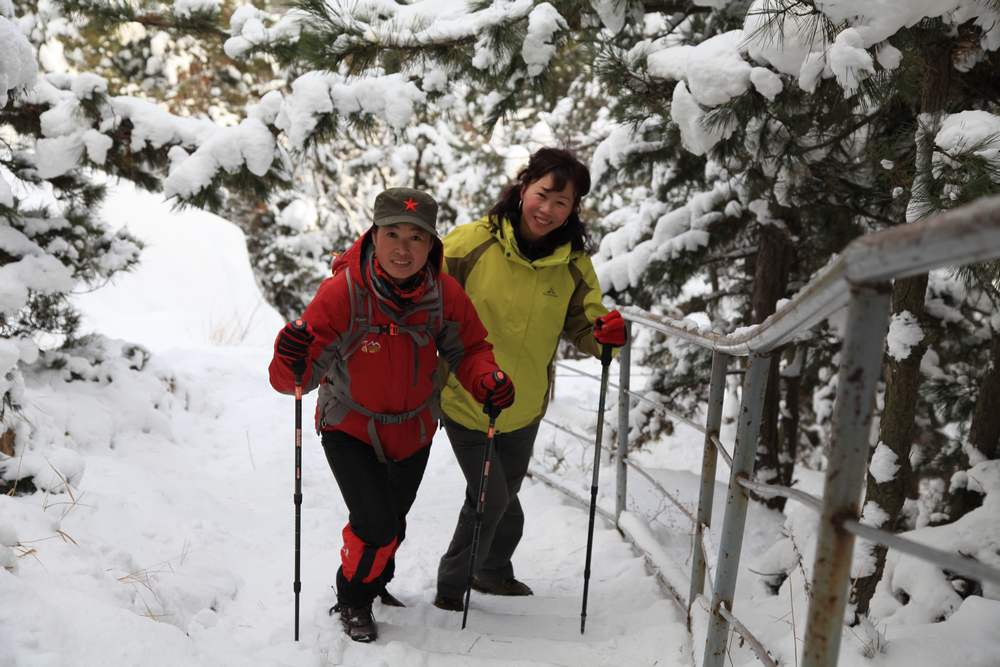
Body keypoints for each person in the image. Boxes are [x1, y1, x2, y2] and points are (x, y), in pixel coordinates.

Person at [268, 187, 515, 643]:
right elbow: (294, 382)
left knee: (392, 524)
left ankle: (375, 579)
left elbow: (472, 349)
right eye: (393, 234)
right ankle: (353, 598)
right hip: (349, 426)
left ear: (431, 245)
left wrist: (488, 381)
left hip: (413, 429)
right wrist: (291, 357)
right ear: (374, 235)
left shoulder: (444, 294)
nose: (403, 248)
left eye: (416, 238)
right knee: (375, 522)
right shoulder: (343, 291)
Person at [433, 148, 628, 611]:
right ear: (523, 189)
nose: (548, 210)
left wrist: (606, 336)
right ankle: (450, 587)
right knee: (490, 498)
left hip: (525, 405)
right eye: (542, 195)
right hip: (465, 397)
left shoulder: (572, 263)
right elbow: (425, 295)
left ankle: (492, 569)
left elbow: (587, 324)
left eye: (562, 203)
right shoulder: (469, 244)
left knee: (504, 499)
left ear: (573, 208)